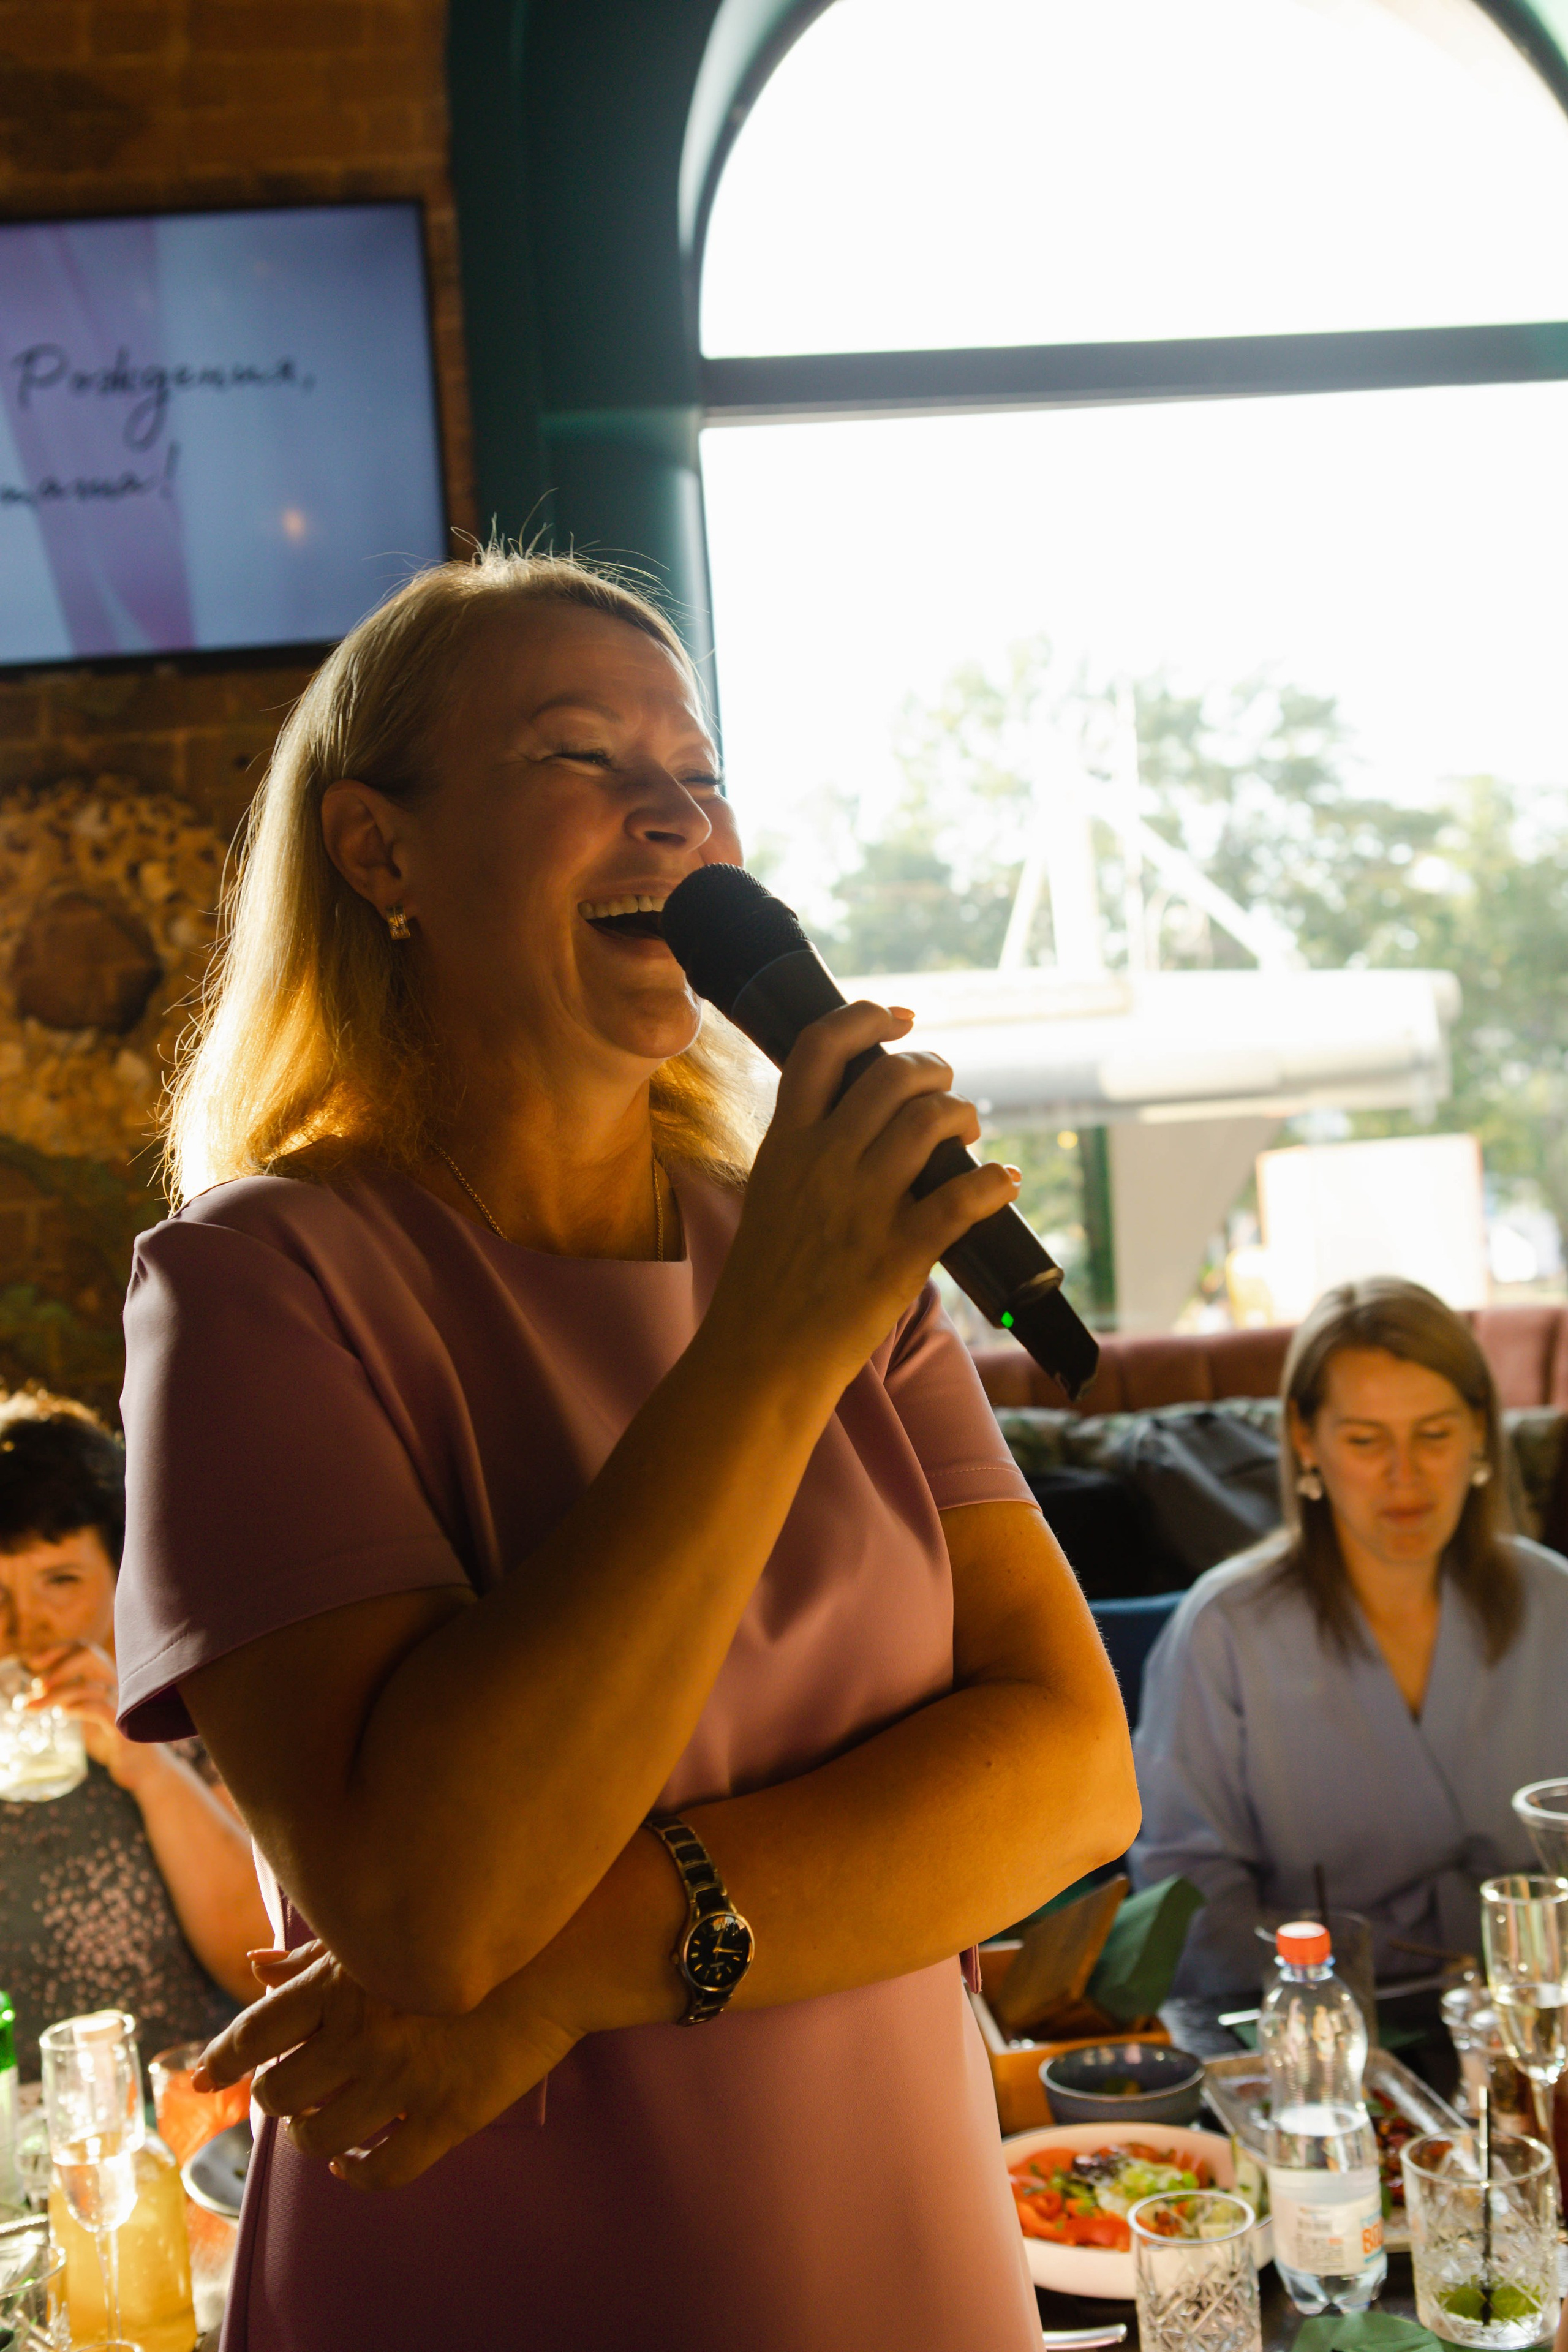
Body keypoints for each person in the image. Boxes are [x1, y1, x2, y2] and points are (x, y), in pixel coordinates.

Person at [111, 548, 1139, 2352]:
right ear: (381, 854)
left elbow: (1066, 1774)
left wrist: (556, 1983)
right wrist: (764, 1351)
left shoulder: (836, 1253)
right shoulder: (257, 1287)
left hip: (896, 2242)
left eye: (697, 765)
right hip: (497, 2269)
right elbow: (430, 1900)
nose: (673, 807)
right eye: (578, 755)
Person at [1133, 1276, 1568, 1997]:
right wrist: (1338, 1994)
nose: (1405, 1476)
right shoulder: (1224, 1631)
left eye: (1434, 1434)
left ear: (1480, 1432)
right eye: (1365, 1440)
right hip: (1321, 2035)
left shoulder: (1556, 1601)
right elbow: (1186, 1898)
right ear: (1306, 1440)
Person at [0, 1390, 268, 2071]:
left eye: (59, 1580)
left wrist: (145, 1767)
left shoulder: (196, 1711)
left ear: (125, 1572)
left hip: (173, 2128)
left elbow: (260, 1966)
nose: (22, 1625)